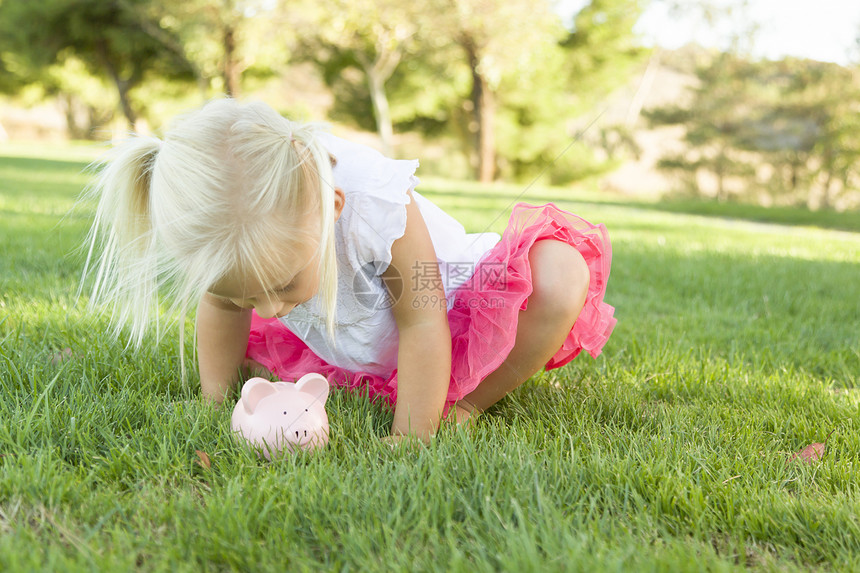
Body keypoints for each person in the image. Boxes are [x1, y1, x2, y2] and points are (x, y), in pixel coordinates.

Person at [83, 98, 616, 443]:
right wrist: (213, 400)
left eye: (283, 285)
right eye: (250, 299)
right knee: (259, 297)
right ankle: (373, 377)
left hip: (446, 311)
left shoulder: (373, 204)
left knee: (560, 274)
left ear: (330, 209)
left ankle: (466, 404)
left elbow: (422, 321)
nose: (271, 311)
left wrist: (413, 433)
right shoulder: (241, 238)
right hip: (357, 335)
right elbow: (221, 302)